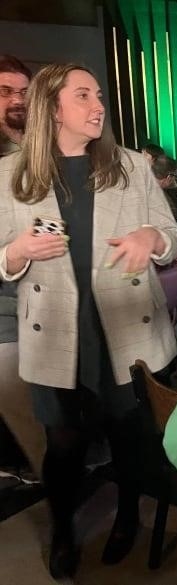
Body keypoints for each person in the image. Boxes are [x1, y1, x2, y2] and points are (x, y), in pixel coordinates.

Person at [0, 63, 177, 579]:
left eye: (99, 94)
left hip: (125, 328)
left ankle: (127, 516)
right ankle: (63, 528)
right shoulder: (11, 175)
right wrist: (17, 250)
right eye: (83, 96)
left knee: (130, 439)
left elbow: (172, 238)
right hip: (55, 333)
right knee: (63, 445)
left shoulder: (130, 166)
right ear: (52, 107)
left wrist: (153, 240)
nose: (98, 104)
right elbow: (1, 258)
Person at [0, 54, 46, 481]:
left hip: (45, 294)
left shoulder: (42, 153)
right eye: (5, 91)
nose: (17, 100)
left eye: (23, 93)